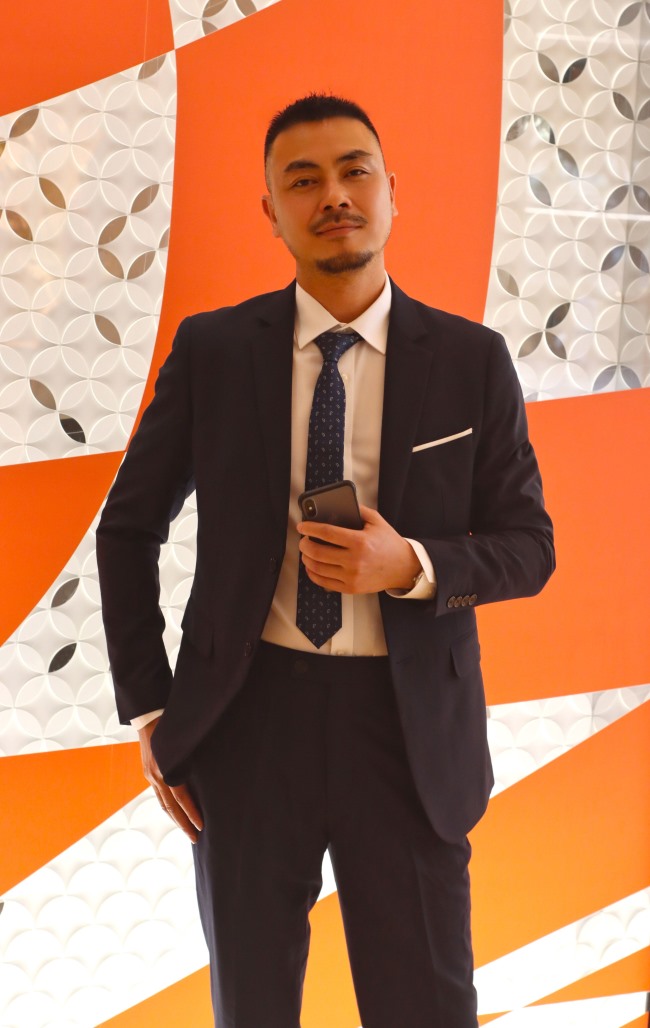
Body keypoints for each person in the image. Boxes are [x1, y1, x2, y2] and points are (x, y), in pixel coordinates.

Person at [96, 94, 555, 1028]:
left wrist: (411, 564)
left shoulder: (472, 359)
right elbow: (128, 528)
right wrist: (150, 709)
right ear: (271, 211)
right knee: (253, 1007)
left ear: (392, 191)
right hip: (247, 723)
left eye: (354, 171)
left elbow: (529, 547)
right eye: (302, 181)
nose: (334, 195)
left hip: (409, 732)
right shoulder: (214, 350)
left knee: (427, 1008)